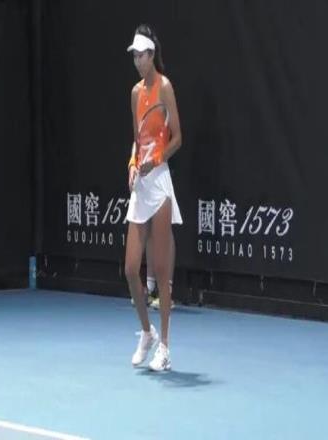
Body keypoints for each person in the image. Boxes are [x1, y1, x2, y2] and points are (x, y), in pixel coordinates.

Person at [125, 24, 183, 371]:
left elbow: (178, 138)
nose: (136, 61)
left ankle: (165, 347)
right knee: (131, 269)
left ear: (151, 55)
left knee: (160, 270)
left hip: (159, 183)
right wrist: (133, 164)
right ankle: (146, 333)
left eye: (140, 55)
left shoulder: (165, 87)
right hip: (141, 185)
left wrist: (155, 159)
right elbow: (136, 140)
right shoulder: (135, 93)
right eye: (133, 56)